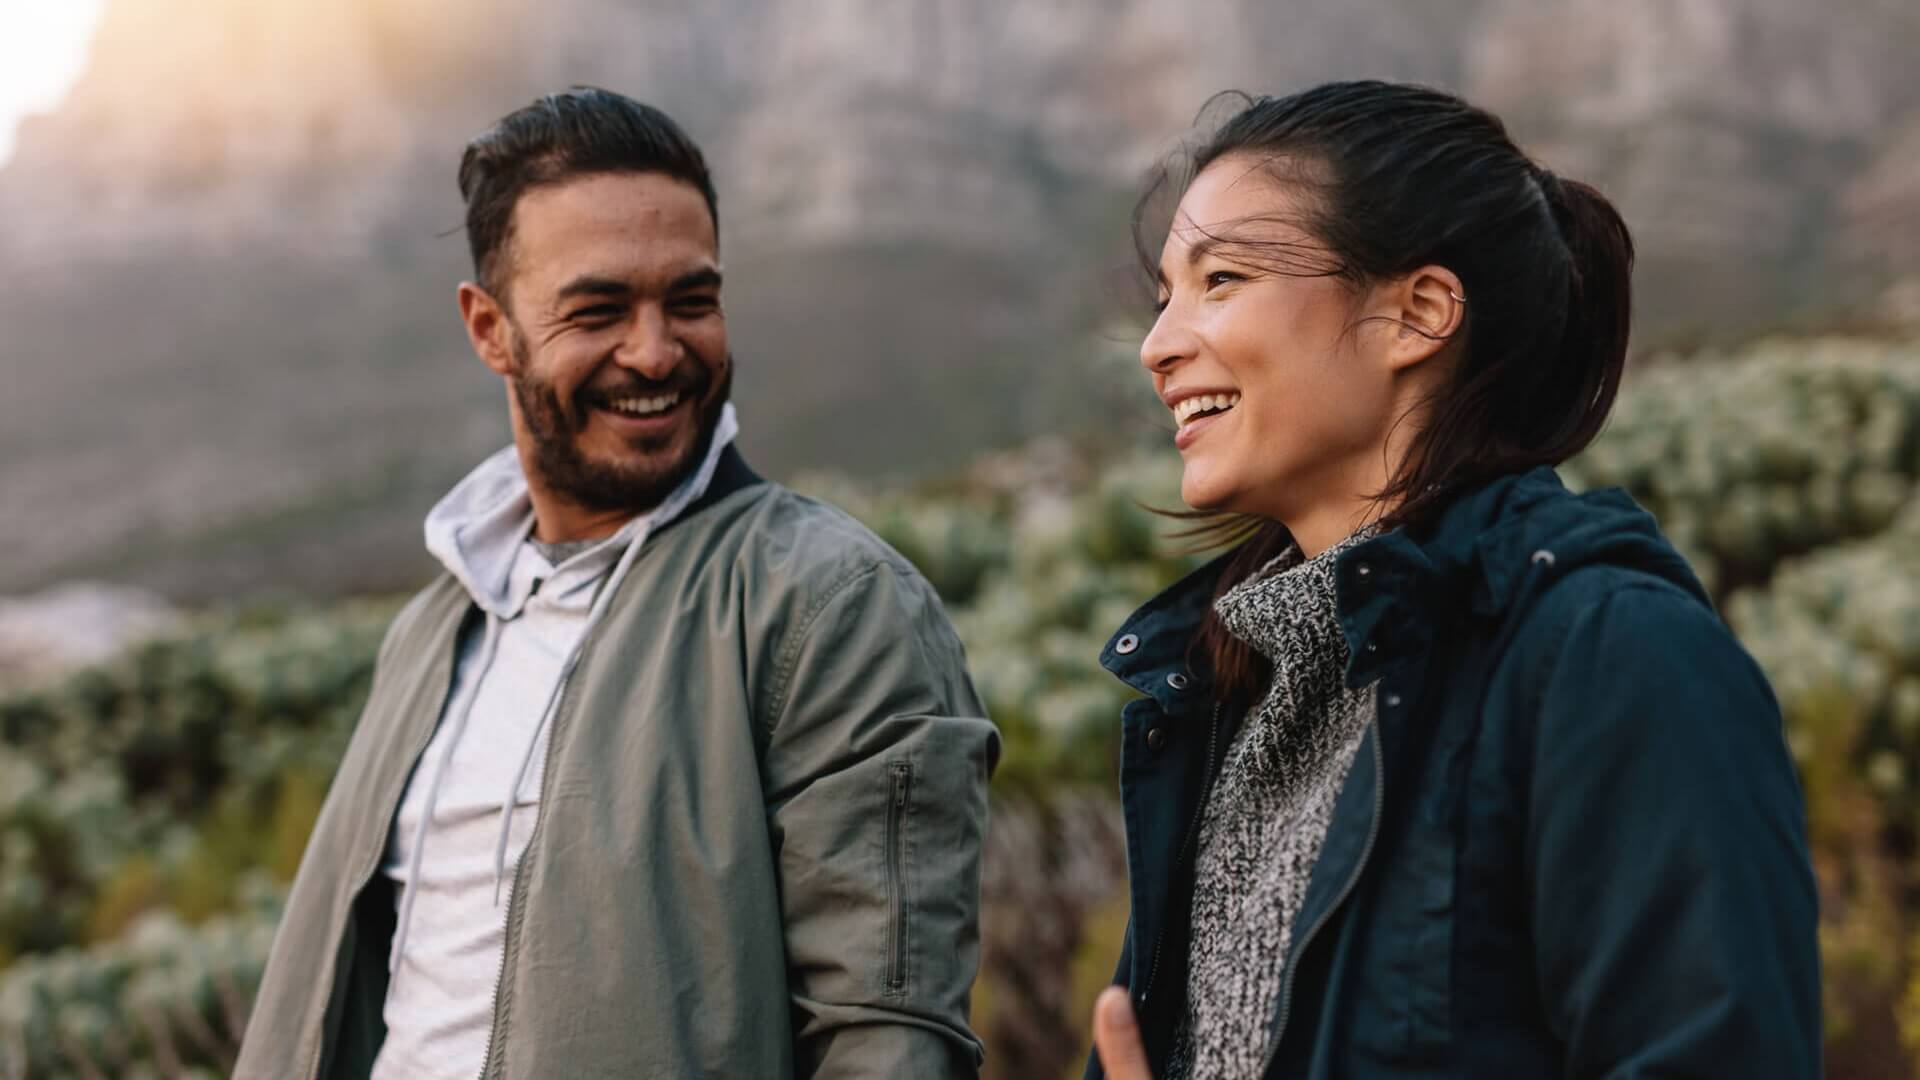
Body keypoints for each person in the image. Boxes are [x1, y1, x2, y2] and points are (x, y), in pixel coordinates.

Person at [236, 87, 1000, 1079]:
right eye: (598, 309)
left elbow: (890, 1036)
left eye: (691, 301)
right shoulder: (437, 623)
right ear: (489, 328)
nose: (654, 350)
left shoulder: (831, 606)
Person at [1084, 81, 1820, 1079]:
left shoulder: (1617, 659)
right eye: (1165, 297)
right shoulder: (1226, 699)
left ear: (1417, 314)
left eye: (1221, 279)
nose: (1159, 346)